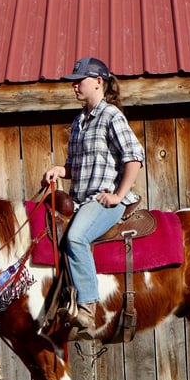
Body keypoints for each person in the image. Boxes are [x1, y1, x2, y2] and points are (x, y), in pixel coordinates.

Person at [41, 57, 145, 339]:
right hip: (80, 201)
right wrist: (59, 170)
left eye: (80, 80)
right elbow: (75, 166)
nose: (74, 86)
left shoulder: (111, 116)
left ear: (99, 82)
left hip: (101, 201)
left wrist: (118, 195)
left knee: (76, 238)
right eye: (73, 82)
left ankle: (87, 309)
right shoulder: (79, 121)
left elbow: (134, 157)